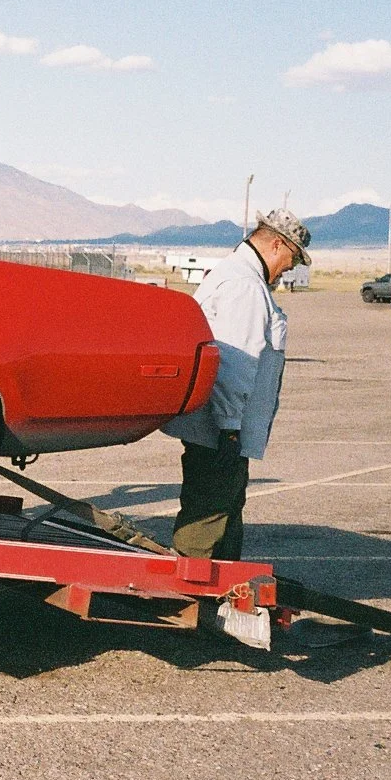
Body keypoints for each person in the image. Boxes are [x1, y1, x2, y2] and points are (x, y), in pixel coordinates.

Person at [161, 208, 311, 561]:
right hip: (220, 429)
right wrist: (229, 429)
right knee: (208, 517)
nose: (291, 268)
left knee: (222, 510)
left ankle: (217, 591)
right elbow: (234, 363)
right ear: (276, 244)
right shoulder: (244, 285)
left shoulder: (241, 277)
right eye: (292, 258)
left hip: (221, 428)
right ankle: (194, 593)